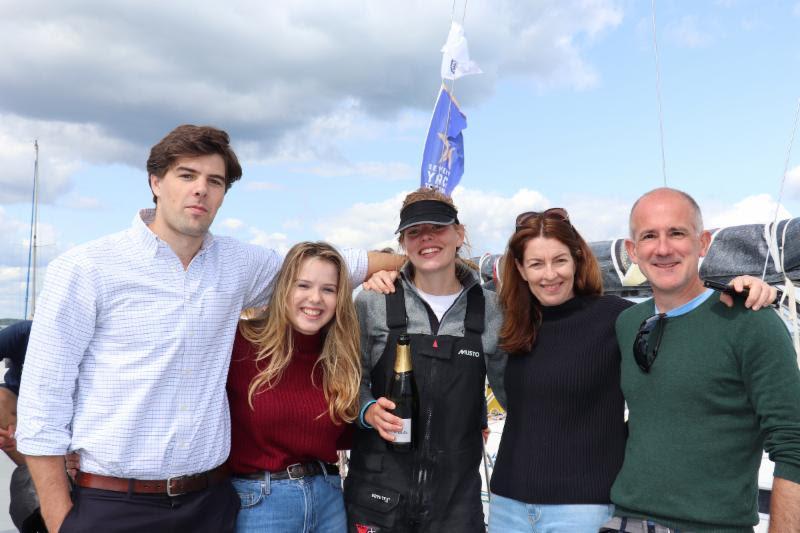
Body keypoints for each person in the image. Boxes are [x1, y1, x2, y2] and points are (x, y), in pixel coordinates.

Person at [15, 124, 400, 533]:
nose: (201, 189)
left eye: (214, 181)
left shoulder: (239, 265)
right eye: (187, 175)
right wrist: (61, 522)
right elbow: (43, 406)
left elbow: (341, 265)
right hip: (113, 504)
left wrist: (395, 271)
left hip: (209, 506)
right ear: (156, 182)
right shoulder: (84, 270)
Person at [487, 206, 779, 533]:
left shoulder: (620, 319)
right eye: (536, 264)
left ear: (577, 260)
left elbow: (686, 311)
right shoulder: (510, 325)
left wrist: (745, 286)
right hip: (506, 504)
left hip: (583, 509)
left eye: (560, 260)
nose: (550, 274)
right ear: (520, 269)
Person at [600, 188, 800, 532]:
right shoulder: (627, 323)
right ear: (633, 250)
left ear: (703, 242)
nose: (663, 249)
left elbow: (793, 443)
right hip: (625, 520)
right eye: (649, 236)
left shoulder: (751, 321)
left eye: (677, 232)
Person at [345, 187, 507, 532]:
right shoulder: (374, 301)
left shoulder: (491, 311)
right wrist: (366, 409)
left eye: (438, 227)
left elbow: (515, 394)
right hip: (377, 499)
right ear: (404, 242)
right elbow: (346, 379)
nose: (427, 239)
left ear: (459, 234)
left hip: (456, 507)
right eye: (415, 232)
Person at [227, 242, 360, 532]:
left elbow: (346, 435)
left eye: (329, 289)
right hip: (261, 503)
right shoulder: (241, 343)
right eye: (303, 285)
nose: (315, 299)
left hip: (329, 498)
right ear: (284, 288)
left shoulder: (339, 357)